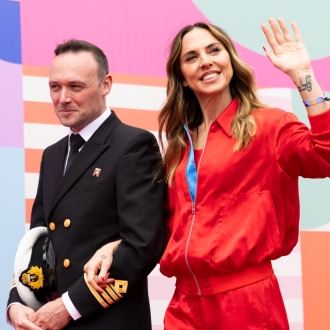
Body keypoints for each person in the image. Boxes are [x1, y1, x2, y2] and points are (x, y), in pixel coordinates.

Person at [156, 18, 330, 329]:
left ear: (230, 61)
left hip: (246, 302)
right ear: (181, 77)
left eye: (214, 50)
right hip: (184, 305)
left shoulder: (269, 125)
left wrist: (304, 76)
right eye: (191, 57)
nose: (206, 61)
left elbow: (325, 155)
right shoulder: (178, 145)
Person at [7, 40, 165, 329]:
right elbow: (40, 244)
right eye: (55, 87)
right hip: (52, 320)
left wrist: (69, 306)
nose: (63, 98)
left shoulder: (133, 145)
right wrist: (17, 301)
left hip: (109, 319)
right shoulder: (52, 155)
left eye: (76, 87)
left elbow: (142, 246)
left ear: (106, 84)